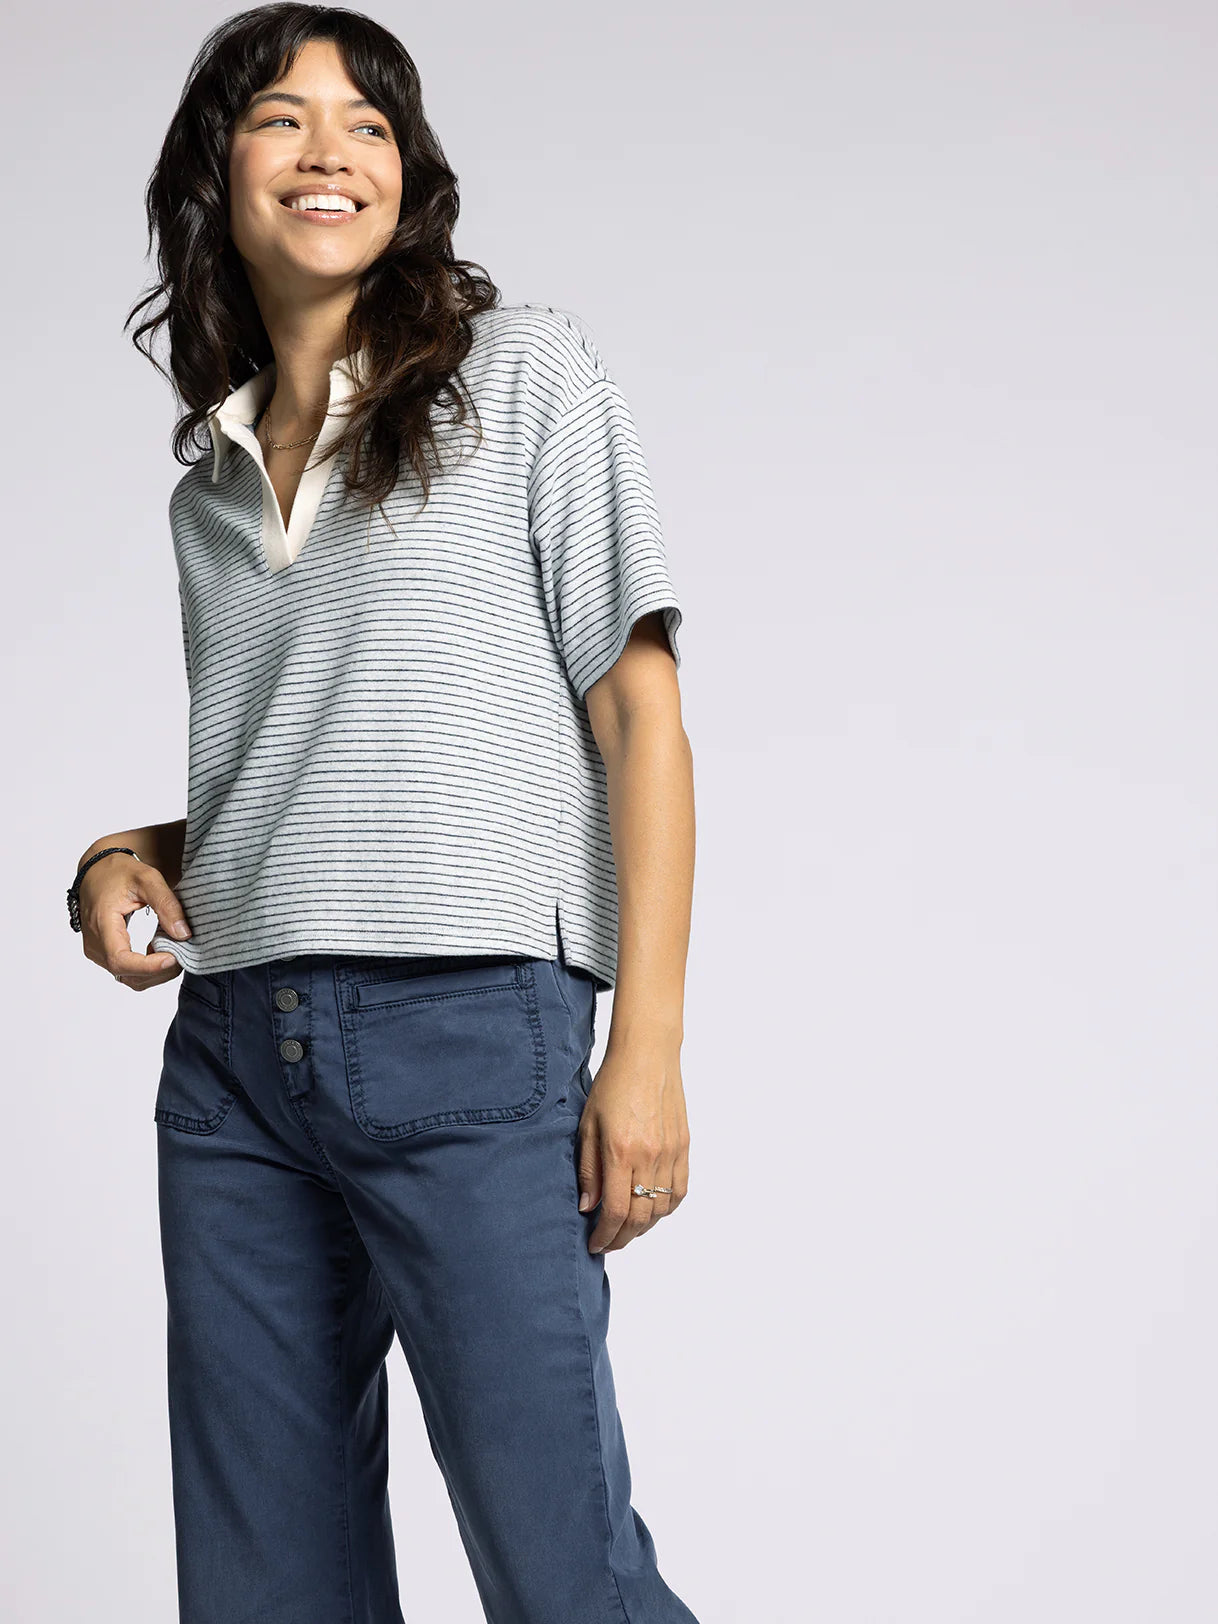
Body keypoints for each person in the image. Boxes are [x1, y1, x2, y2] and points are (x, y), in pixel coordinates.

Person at [67, 7, 698, 1623]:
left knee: (564, 1578)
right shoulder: (207, 487)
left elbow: (637, 718)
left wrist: (643, 1051)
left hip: (471, 1034)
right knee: (264, 1592)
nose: (328, 150)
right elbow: (313, 765)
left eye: (367, 122)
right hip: (232, 1068)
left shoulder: (521, 376)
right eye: (280, 117)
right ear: (217, 172)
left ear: (409, 175)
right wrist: (127, 853)